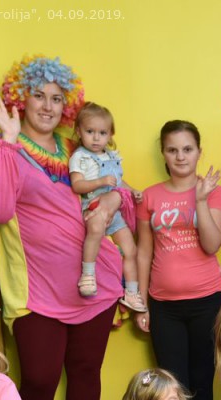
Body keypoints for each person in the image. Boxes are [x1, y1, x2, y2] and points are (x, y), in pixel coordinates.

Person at [0, 55, 120, 400]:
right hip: (35, 289)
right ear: (21, 99)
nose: (48, 106)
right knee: (38, 377)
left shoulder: (78, 150)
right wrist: (8, 141)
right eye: (38, 95)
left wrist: (113, 200)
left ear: (67, 106)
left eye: (57, 98)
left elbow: (116, 191)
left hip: (92, 283)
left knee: (86, 371)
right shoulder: (0, 146)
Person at [136, 120, 221, 400]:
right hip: (164, 306)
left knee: (202, 380)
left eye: (187, 149)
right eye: (172, 150)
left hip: (207, 301)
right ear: (163, 153)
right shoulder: (150, 196)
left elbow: (212, 244)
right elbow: (143, 253)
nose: (180, 156)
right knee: (170, 387)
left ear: (199, 152)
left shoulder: (215, 193)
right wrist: (141, 303)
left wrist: (200, 200)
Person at [68, 102, 144, 312]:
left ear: (110, 135)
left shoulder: (112, 156)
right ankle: (88, 275)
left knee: (130, 249)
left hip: (115, 212)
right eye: (90, 131)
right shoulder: (80, 157)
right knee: (95, 229)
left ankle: (131, 292)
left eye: (102, 133)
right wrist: (100, 182)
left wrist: (132, 190)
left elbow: (118, 182)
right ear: (79, 131)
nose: (96, 138)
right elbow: (77, 185)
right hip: (93, 206)